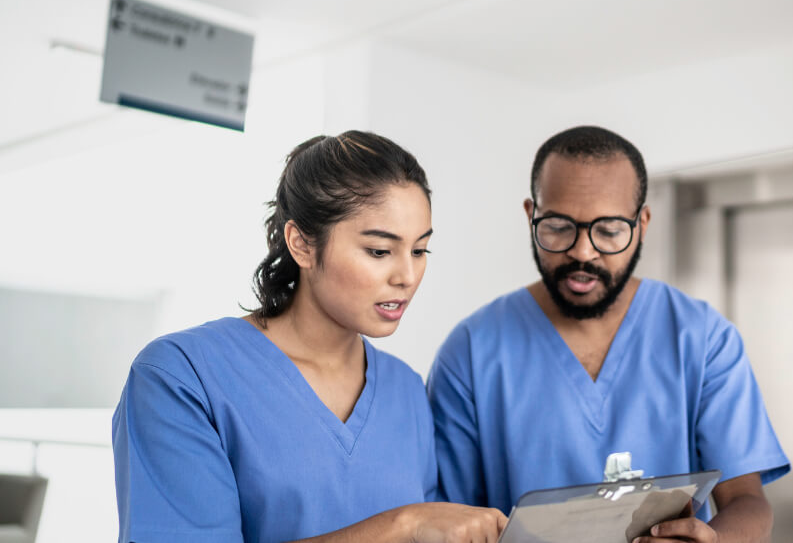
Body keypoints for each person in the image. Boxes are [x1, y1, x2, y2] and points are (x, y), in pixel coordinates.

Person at [113, 131, 506, 543]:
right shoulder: (181, 376)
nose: (406, 276)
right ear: (301, 244)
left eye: (419, 251)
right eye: (378, 251)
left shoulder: (406, 390)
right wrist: (402, 527)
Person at [427, 126, 789, 542]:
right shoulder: (471, 352)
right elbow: (449, 519)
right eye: (559, 226)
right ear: (531, 215)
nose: (583, 251)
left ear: (642, 223)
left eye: (610, 230)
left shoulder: (702, 338)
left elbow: (746, 500)